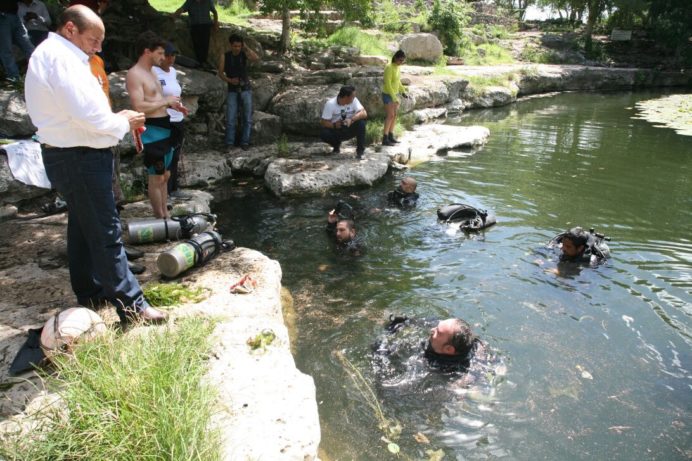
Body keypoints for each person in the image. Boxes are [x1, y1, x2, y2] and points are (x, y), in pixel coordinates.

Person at [24, 5, 166, 322]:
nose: (98, 47)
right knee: (105, 231)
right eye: (94, 39)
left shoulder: (58, 55)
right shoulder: (60, 59)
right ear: (70, 29)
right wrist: (123, 121)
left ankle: (90, 291)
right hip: (79, 155)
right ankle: (133, 306)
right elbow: (89, 115)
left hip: (74, 153)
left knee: (83, 228)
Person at [126, 30, 188, 219]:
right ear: (147, 51)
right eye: (160, 53)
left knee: (166, 176)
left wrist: (174, 106)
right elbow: (139, 106)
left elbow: (160, 98)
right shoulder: (134, 74)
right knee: (156, 176)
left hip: (165, 125)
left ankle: (165, 215)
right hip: (152, 130)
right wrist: (166, 102)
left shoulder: (152, 72)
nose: (163, 57)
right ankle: (159, 217)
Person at [153, 41, 190, 198]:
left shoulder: (173, 72)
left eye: (173, 55)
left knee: (175, 155)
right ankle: (162, 190)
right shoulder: (153, 72)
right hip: (164, 120)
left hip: (178, 119)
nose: (171, 59)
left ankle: (173, 188)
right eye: (168, 55)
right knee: (163, 156)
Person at [217, 34, 259, 150]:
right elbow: (220, 73)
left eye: (239, 46)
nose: (237, 48)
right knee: (230, 118)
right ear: (230, 45)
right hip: (232, 90)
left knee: (247, 117)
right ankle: (229, 143)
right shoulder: (225, 56)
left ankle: (245, 142)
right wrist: (230, 80)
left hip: (245, 88)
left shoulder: (244, 54)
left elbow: (256, 58)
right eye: (235, 46)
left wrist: (246, 47)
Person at [320, 85, 368, 159]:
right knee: (323, 133)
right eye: (353, 96)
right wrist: (334, 125)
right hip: (337, 130)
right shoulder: (330, 104)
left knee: (361, 123)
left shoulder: (354, 100)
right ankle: (336, 145)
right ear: (346, 97)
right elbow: (323, 122)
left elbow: (364, 113)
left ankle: (360, 152)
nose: (354, 97)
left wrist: (352, 119)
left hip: (350, 127)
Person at [174, 0, 218, 69]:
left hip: (205, 26)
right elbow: (181, 9)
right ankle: (200, 63)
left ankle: (203, 62)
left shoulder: (208, 1)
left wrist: (215, 23)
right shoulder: (189, 1)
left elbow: (214, 12)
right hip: (195, 26)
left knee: (205, 44)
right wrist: (173, 16)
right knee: (197, 44)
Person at [0, 0, 35, 82]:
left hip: (15, 16)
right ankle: (15, 79)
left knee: (28, 46)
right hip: (2, 17)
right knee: (6, 50)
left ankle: (38, 73)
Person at [382, 50, 407, 146]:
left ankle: (391, 136)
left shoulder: (397, 67)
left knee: (395, 115)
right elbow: (387, 84)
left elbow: (398, 81)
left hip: (395, 94)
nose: (401, 62)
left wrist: (403, 91)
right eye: (400, 60)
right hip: (387, 94)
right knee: (390, 115)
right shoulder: (389, 67)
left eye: (403, 61)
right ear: (396, 58)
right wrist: (394, 98)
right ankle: (385, 139)